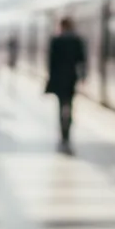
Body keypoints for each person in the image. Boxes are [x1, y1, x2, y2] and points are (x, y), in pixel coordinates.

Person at [45, 17, 86, 151]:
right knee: (69, 104)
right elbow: (81, 60)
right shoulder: (77, 41)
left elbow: (51, 63)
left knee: (61, 105)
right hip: (71, 79)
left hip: (58, 79)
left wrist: (50, 79)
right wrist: (82, 77)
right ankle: (67, 129)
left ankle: (63, 132)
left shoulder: (56, 41)